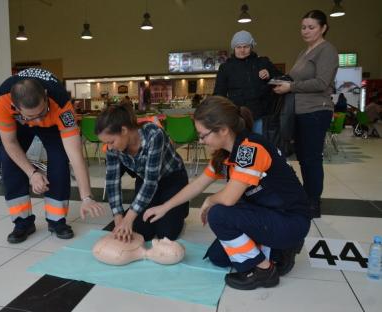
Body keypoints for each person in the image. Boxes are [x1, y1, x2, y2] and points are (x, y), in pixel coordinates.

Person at [143, 96, 311, 290]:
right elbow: (197, 185)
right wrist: (165, 207)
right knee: (218, 257)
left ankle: (265, 271)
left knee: (219, 214)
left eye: (203, 135)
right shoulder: (225, 154)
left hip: (290, 220)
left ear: (223, 130)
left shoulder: (250, 149)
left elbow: (229, 199)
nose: (201, 140)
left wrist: (210, 200)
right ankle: (279, 251)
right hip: (267, 213)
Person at [0, 68, 104, 244]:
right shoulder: (2, 99)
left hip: (53, 123)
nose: (38, 121)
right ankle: (22, 222)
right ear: (15, 107)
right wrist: (32, 173)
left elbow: (75, 154)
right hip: (20, 124)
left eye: (41, 112)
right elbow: (10, 143)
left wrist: (86, 197)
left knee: (60, 161)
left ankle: (56, 221)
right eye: (32, 116)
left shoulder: (61, 103)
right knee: (9, 161)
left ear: (45, 95)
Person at [273, 10, 338, 218]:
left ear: (323, 28)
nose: (306, 31)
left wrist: (290, 87)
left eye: (311, 27)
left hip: (316, 111)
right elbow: (292, 77)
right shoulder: (303, 53)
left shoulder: (327, 50)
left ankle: (313, 203)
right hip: (299, 112)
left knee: (311, 159)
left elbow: (321, 83)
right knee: (302, 158)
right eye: (303, 27)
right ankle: (306, 196)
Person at [95, 104, 189, 242]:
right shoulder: (112, 149)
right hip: (145, 181)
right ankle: (153, 210)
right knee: (140, 232)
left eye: (111, 141)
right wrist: (119, 217)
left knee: (166, 234)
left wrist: (129, 217)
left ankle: (180, 209)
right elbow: (112, 182)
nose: (109, 147)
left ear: (124, 130)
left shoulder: (154, 135)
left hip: (172, 180)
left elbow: (151, 183)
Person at [213, 30, 281, 134]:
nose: (242, 50)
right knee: (241, 146)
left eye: (246, 47)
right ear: (234, 48)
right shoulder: (226, 68)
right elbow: (219, 93)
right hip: (238, 117)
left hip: (261, 116)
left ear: (252, 46)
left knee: (259, 146)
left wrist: (269, 73)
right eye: (238, 47)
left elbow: (281, 78)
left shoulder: (262, 62)